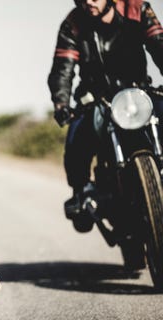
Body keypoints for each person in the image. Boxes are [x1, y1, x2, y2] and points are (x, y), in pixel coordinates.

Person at [48, 0, 163, 227]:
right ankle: (81, 193)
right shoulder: (73, 24)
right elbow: (63, 68)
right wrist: (61, 103)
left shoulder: (137, 9)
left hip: (139, 93)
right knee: (76, 136)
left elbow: (159, 45)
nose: (88, 1)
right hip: (97, 97)